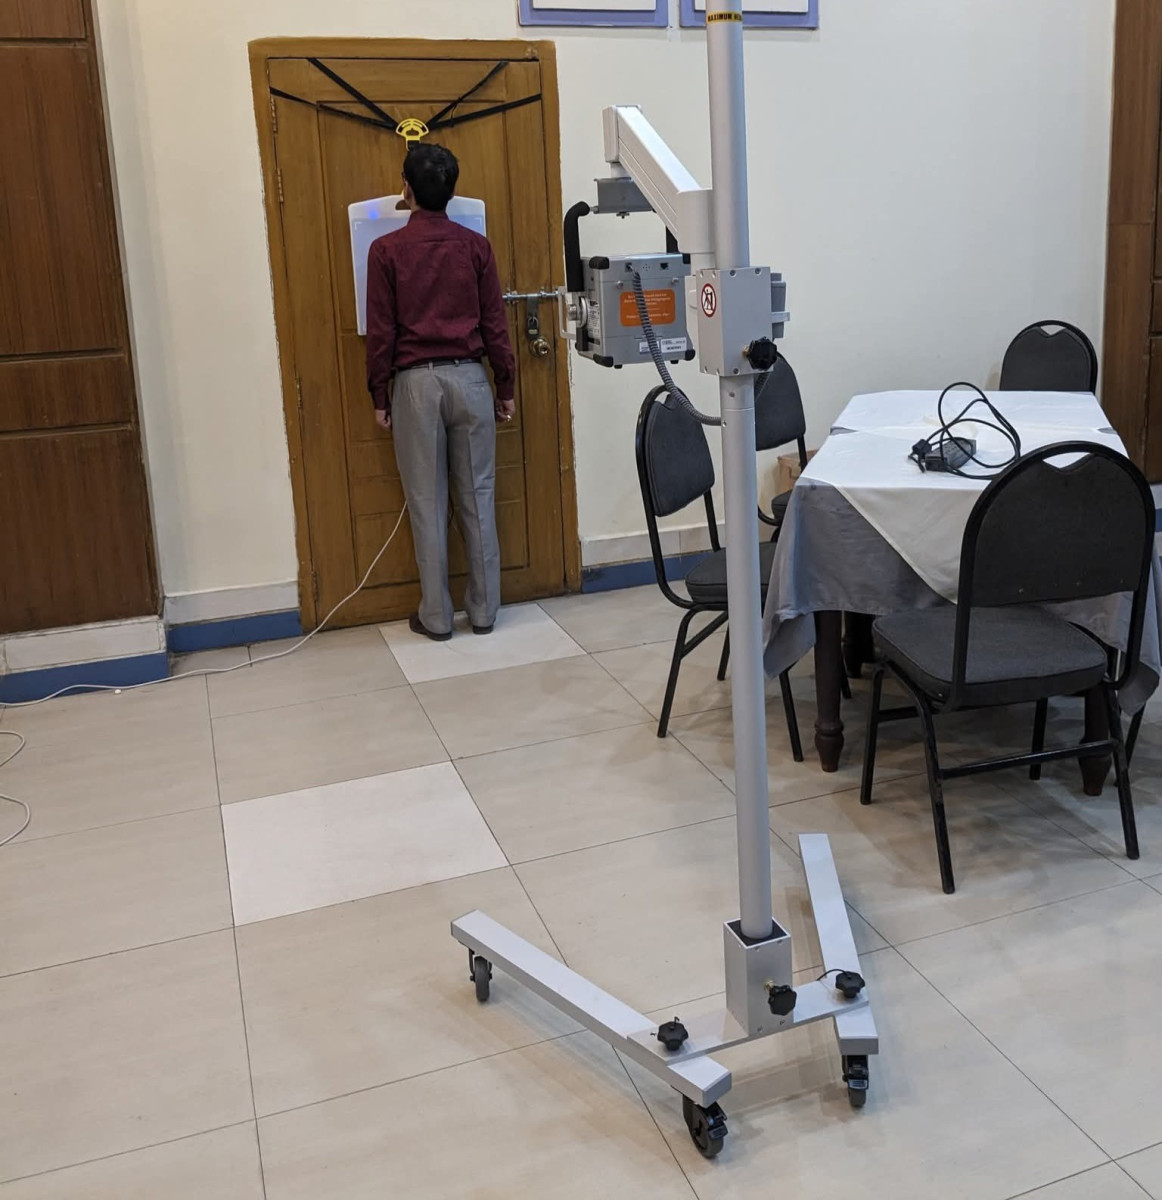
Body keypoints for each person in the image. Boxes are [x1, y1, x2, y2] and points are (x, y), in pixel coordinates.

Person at [365, 143, 516, 641]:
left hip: (416, 384)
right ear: (451, 192)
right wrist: (505, 384)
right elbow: (495, 323)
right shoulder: (476, 247)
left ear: (406, 189)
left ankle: (435, 617)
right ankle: (485, 612)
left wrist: (379, 395)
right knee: (479, 497)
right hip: (471, 378)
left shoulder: (385, 251)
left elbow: (382, 331)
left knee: (427, 505)